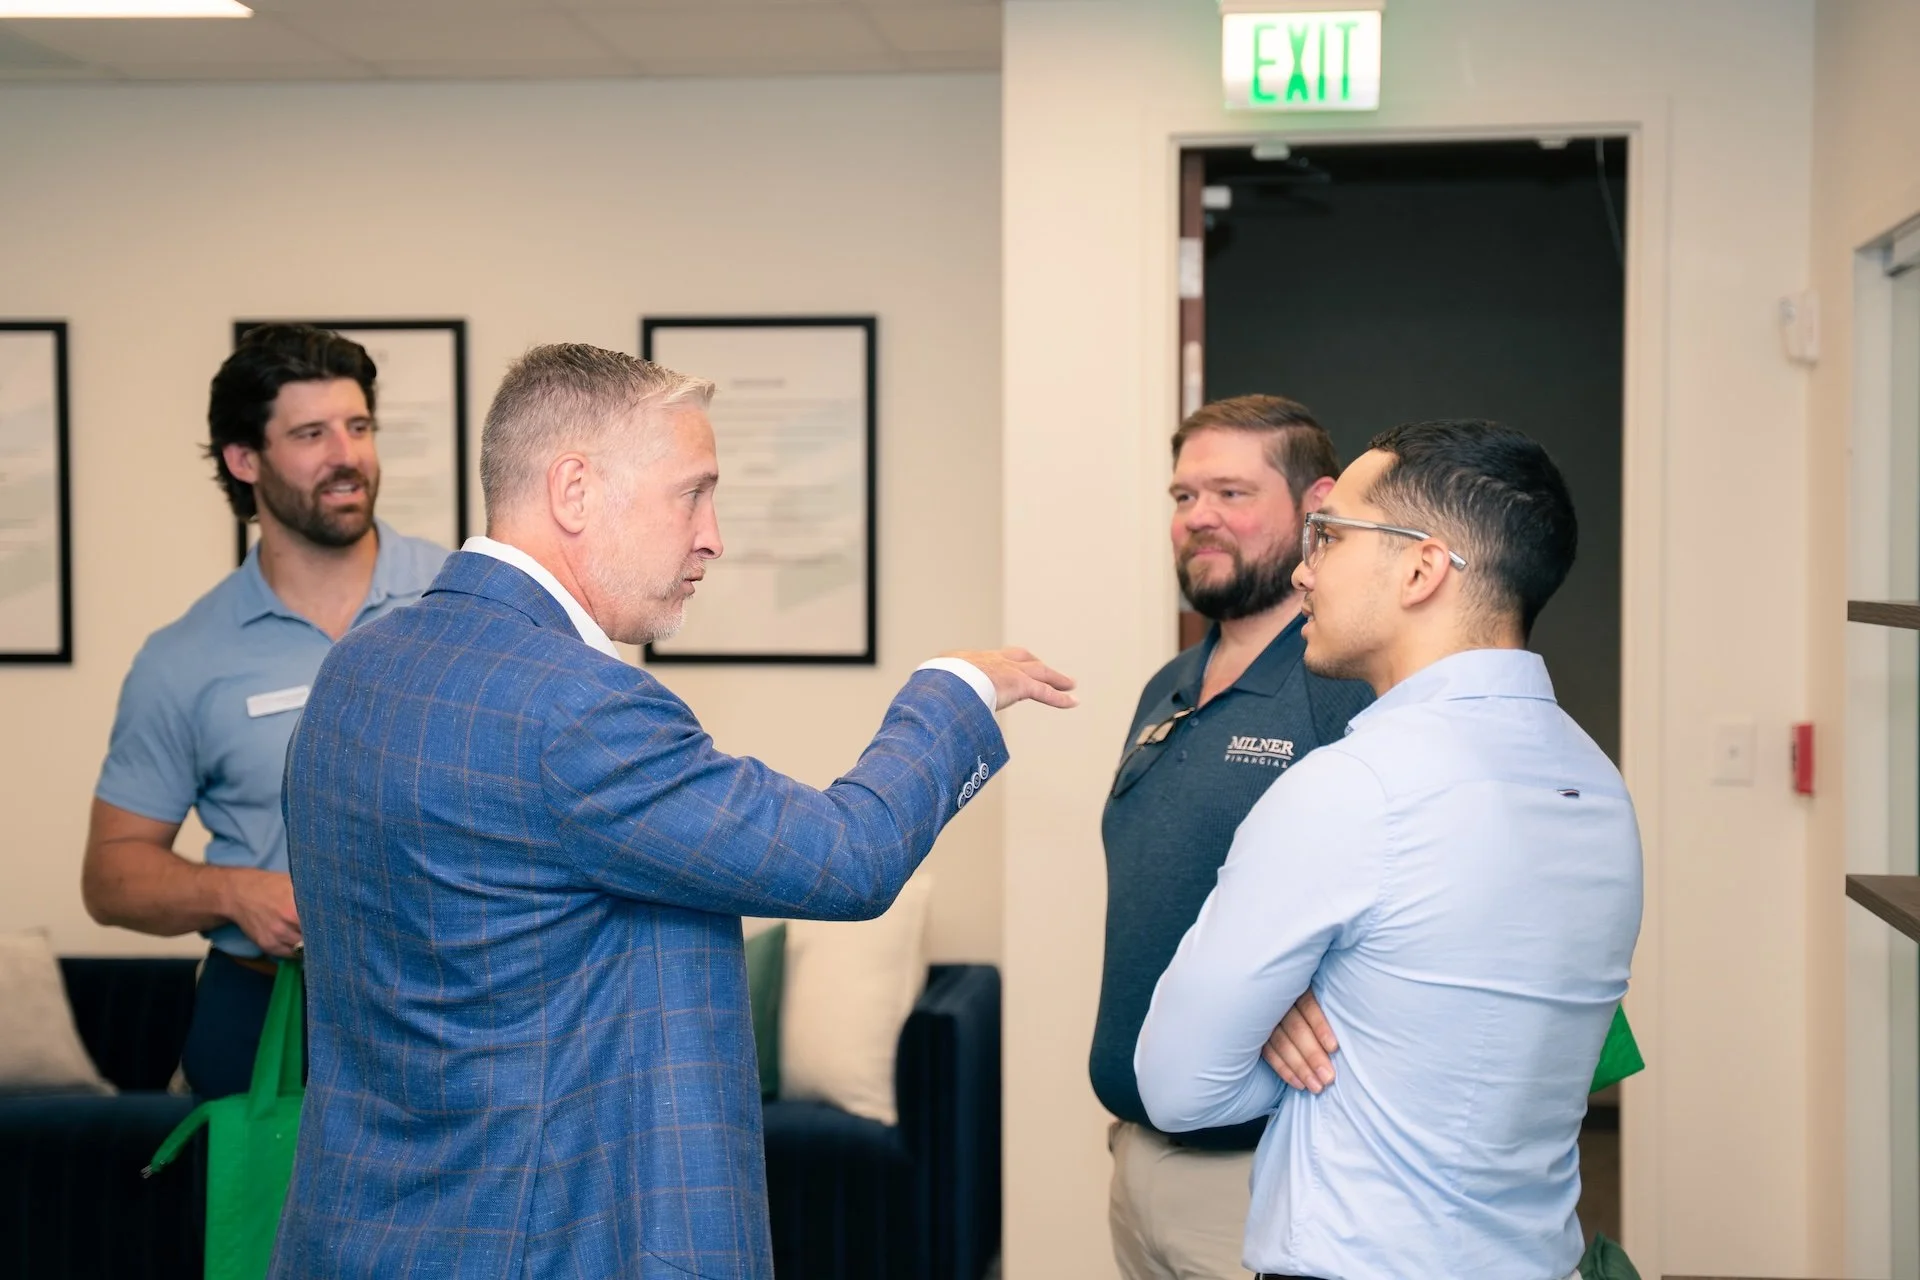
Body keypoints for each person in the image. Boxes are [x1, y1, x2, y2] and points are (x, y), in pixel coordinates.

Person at [270, 344, 1075, 1279]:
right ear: (574, 491)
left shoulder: (357, 669)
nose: (713, 536)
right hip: (544, 1244)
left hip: (360, 1236)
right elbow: (846, 857)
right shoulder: (577, 708)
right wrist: (954, 692)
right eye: (692, 493)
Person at [1135, 419, 1644, 1280]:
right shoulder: (1598, 785)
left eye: (1329, 537)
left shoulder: (1355, 787)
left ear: (1421, 567)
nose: (1304, 569)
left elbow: (1179, 1087)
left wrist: (1269, 1030)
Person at [81, 324, 447, 1099]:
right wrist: (234, 892)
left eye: (358, 427)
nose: (346, 455)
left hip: (450, 1006)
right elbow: (111, 876)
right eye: (311, 434)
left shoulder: (463, 603)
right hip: (262, 1013)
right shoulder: (184, 657)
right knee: (259, 1225)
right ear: (245, 460)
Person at [1088, 395, 1373, 1280]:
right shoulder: (1167, 685)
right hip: (1139, 1158)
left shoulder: (1346, 684)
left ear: (1315, 506)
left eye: (1230, 493)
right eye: (1183, 497)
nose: (1199, 517)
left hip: (1267, 1176)